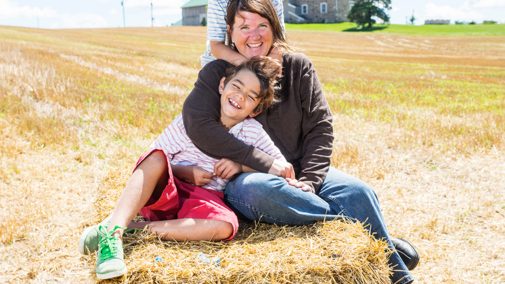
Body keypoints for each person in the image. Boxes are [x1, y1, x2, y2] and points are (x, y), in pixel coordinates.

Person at [182, 0, 419, 283]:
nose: (254, 35)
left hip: (300, 169)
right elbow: (199, 125)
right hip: (248, 180)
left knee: (359, 192)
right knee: (258, 191)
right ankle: (370, 235)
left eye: (262, 26)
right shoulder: (218, 73)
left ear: (275, 28)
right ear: (231, 32)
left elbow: (320, 127)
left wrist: (310, 182)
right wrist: (258, 163)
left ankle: (397, 273)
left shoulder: (298, 66)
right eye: (244, 27)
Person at [78, 56, 286, 280]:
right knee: (156, 158)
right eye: (236, 86)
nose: (240, 97)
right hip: (168, 189)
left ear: (255, 110)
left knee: (226, 226)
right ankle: (113, 236)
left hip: (204, 199)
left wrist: (240, 166)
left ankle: (133, 227)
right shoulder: (193, 120)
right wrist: (184, 172)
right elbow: (151, 158)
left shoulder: (252, 131)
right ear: (222, 85)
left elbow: (281, 167)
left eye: (250, 97)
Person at [201, 0, 284, 67]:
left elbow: (279, 36)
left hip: (265, 55)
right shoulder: (219, 1)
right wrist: (249, 67)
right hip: (223, 58)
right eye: (245, 27)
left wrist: (273, 61)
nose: (255, 37)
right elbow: (216, 45)